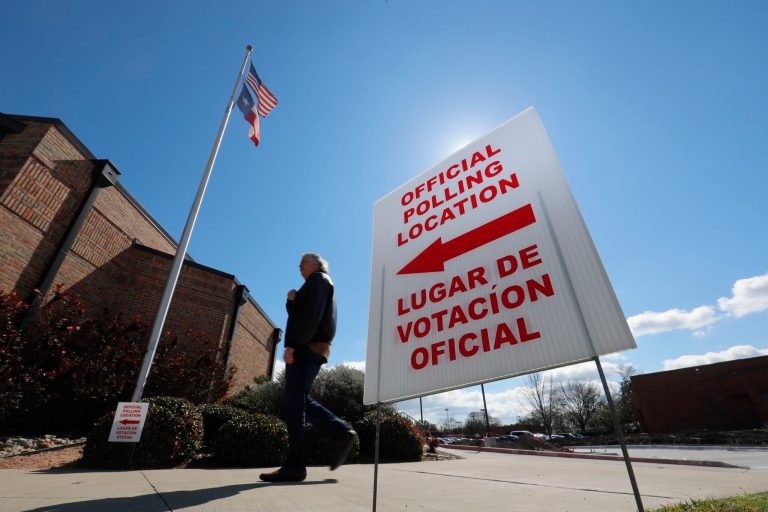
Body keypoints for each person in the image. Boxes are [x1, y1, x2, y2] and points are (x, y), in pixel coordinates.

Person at [260, 253, 357, 482]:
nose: (299, 266)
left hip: (306, 348)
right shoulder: (316, 285)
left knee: (294, 404)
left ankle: (297, 464)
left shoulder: (318, 281)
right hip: (312, 347)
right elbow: (302, 316)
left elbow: (309, 319)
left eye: (303, 262)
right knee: (298, 400)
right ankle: (340, 434)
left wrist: (293, 345)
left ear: (317, 263)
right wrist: (293, 302)